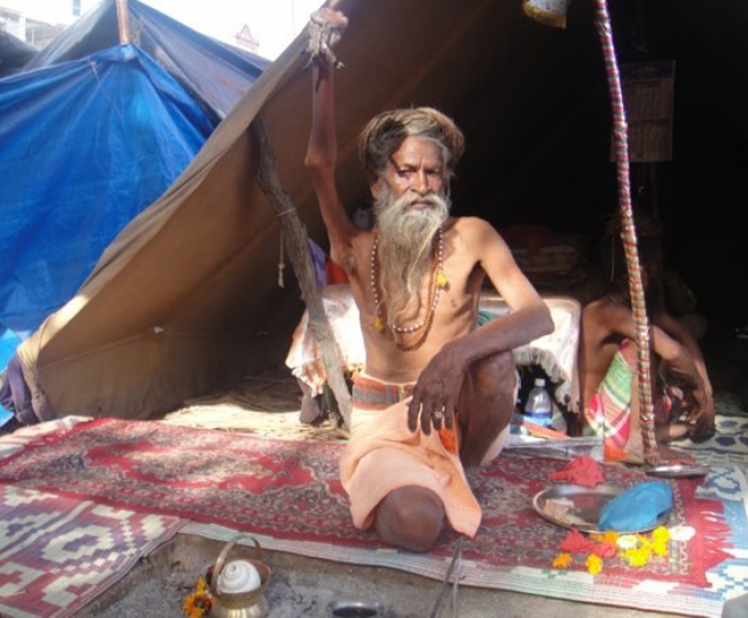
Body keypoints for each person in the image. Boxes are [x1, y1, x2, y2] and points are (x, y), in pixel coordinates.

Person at [304, 9, 554, 552]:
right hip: (385, 421)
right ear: (377, 183)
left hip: (458, 419)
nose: (421, 185)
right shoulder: (354, 246)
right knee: (417, 525)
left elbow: (538, 315)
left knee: (494, 360)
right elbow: (318, 162)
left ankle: (464, 471)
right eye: (406, 171)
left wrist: (455, 355)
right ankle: (406, 483)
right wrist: (321, 60)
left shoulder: (473, 235)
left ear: (446, 180)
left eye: (433, 172)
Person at [578, 213, 715, 463]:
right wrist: (700, 393)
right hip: (597, 423)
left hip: (619, 415)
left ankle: (662, 431)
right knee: (641, 347)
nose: (648, 274)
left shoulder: (632, 308)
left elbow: (682, 334)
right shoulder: (605, 312)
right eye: (645, 267)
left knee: (672, 366)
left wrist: (706, 386)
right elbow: (674, 352)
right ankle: (638, 442)